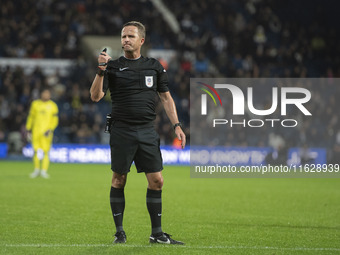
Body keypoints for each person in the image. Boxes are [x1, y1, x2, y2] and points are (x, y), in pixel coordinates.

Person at [90, 21, 186, 245]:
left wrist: (177, 125)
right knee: (119, 179)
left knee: (157, 180)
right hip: (122, 130)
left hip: (146, 130)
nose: (125, 40)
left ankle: (157, 234)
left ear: (141, 40)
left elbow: (166, 98)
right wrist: (100, 70)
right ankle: (119, 232)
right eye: (123, 36)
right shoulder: (112, 66)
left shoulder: (154, 66)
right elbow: (95, 97)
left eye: (130, 36)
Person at [26, 88, 59, 178]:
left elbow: (55, 120)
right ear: (41, 94)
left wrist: (51, 129)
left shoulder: (53, 105)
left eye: (47, 94)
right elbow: (31, 117)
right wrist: (28, 128)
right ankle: (36, 170)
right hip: (36, 131)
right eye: (44, 93)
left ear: (50, 95)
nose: (46, 95)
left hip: (47, 132)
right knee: (35, 151)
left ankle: (44, 171)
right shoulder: (35, 104)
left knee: (46, 152)